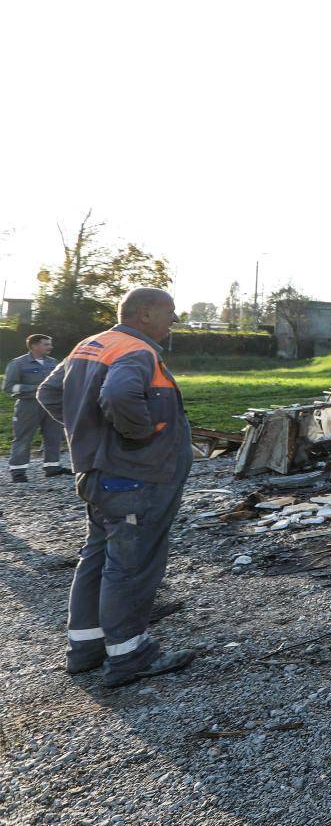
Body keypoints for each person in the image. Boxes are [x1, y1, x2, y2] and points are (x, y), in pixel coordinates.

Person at [37, 288, 196, 685]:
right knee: (133, 563)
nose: (173, 320)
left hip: (100, 474)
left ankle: (86, 646)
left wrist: (90, 431)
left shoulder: (91, 345)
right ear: (145, 314)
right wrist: (138, 436)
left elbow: (50, 392)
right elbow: (120, 394)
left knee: (98, 554)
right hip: (134, 476)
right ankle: (130, 654)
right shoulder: (136, 352)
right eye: (169, 312)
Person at [5, 333, 65, 481]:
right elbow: (9, 387)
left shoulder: (53, 363)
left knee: (54, 436)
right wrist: (36, 388)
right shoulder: (18, 364)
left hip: (50, 405)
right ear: (34, 346)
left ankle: (53, 467)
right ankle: (18, 472)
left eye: (50, 344)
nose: (50, 347)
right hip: (28, 406)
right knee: (23, 438)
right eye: (46, 344)